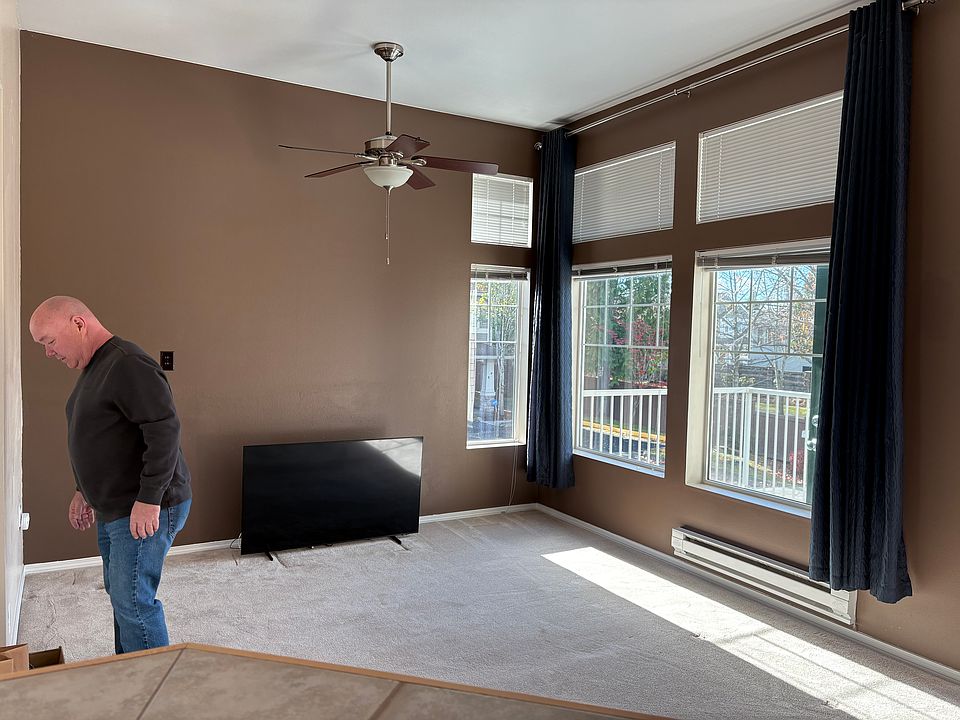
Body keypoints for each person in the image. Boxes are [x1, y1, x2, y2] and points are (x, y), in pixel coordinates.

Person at [28, 296, 192, 654]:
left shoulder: (127, 364)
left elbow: (164, 430)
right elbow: (103, 437)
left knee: (134, 602)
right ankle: (127, 673)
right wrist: (82, 490)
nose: (48, 353)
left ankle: (152, 693)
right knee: (122, 598)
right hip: (115, 507)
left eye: (49, 342)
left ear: (78, 324)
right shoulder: (95, 369)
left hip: (145, 504)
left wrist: (149, 499)